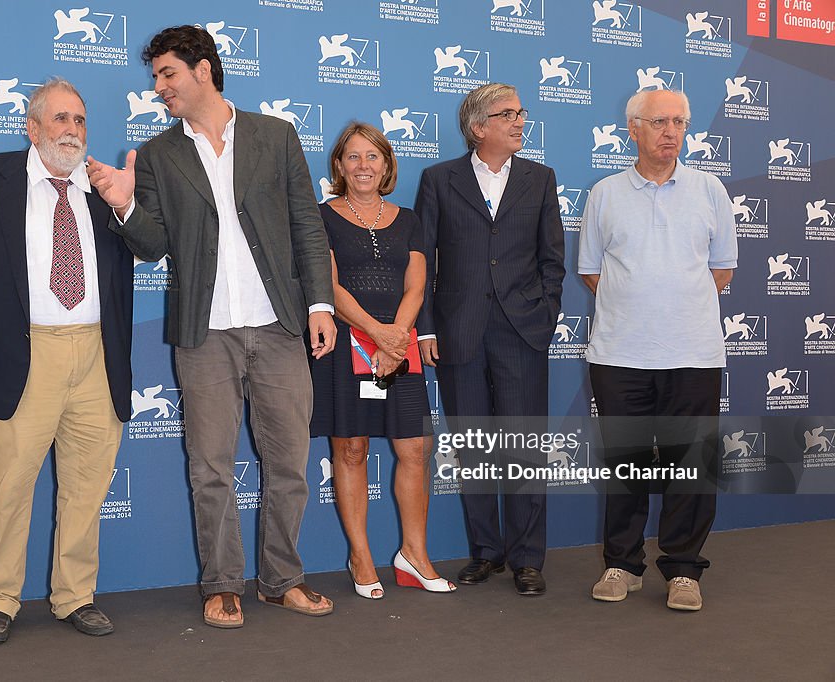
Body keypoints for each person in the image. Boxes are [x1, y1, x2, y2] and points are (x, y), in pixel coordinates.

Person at [86, 25, 336, 628]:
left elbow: (306, 223)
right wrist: (123, 204)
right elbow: (153, 245)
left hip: (278, 325)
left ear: (204, 70)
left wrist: (320, 305)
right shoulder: (160, 154)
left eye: (167, 74)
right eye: (155, 78)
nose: (159, 87)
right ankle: (221, 583)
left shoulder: (274, 136)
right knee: (210, 466)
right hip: (204, 333)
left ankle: (283, 579)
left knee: (289, 465)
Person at [0, 78, 135, 644]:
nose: (72, 130)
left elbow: (150, 247)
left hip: (97, 352)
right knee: (10, 484)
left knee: (87, 485)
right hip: (25, 352)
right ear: (32, 126)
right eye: (61, 119)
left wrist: (128, 204)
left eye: (80, 120)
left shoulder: (106, 188)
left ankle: (76, 596)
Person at [578, 88, 737, 612]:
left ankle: (684, 570)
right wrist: (639, 309)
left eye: (680, 122)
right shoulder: (604, 193)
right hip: (620, 353)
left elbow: (721, 270)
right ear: (633, 129)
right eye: (660, 122)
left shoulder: (711, 190)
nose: (671, 132)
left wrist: (673, 310)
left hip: (693, 353)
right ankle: (621, 565)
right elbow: (593, 270)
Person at [415, 83, 565, 596]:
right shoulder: (438, 180)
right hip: (459, 331)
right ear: (479, 127)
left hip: (523, 331)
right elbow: (424, 262)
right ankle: (486, 552)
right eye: (508, 115)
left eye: (521, 113)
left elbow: (553, 261)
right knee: (474, 445)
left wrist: (545, 316)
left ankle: (527, 558)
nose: (520, 122)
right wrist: (428, 327)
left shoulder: (540, 179)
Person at [311, 122, 453, 599]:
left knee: (415, 450)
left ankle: (414, 555)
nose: (363, 166)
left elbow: (417, 285)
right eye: (353, 157)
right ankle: (361, 556)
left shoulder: (409, 219)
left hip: (400, 345)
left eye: (372, 157)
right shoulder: (321, 217)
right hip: (347, 346)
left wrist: (397, 340)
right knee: (350, 450)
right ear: (339, 166)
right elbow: (328, 286)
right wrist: (376, 334)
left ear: (387, 164)